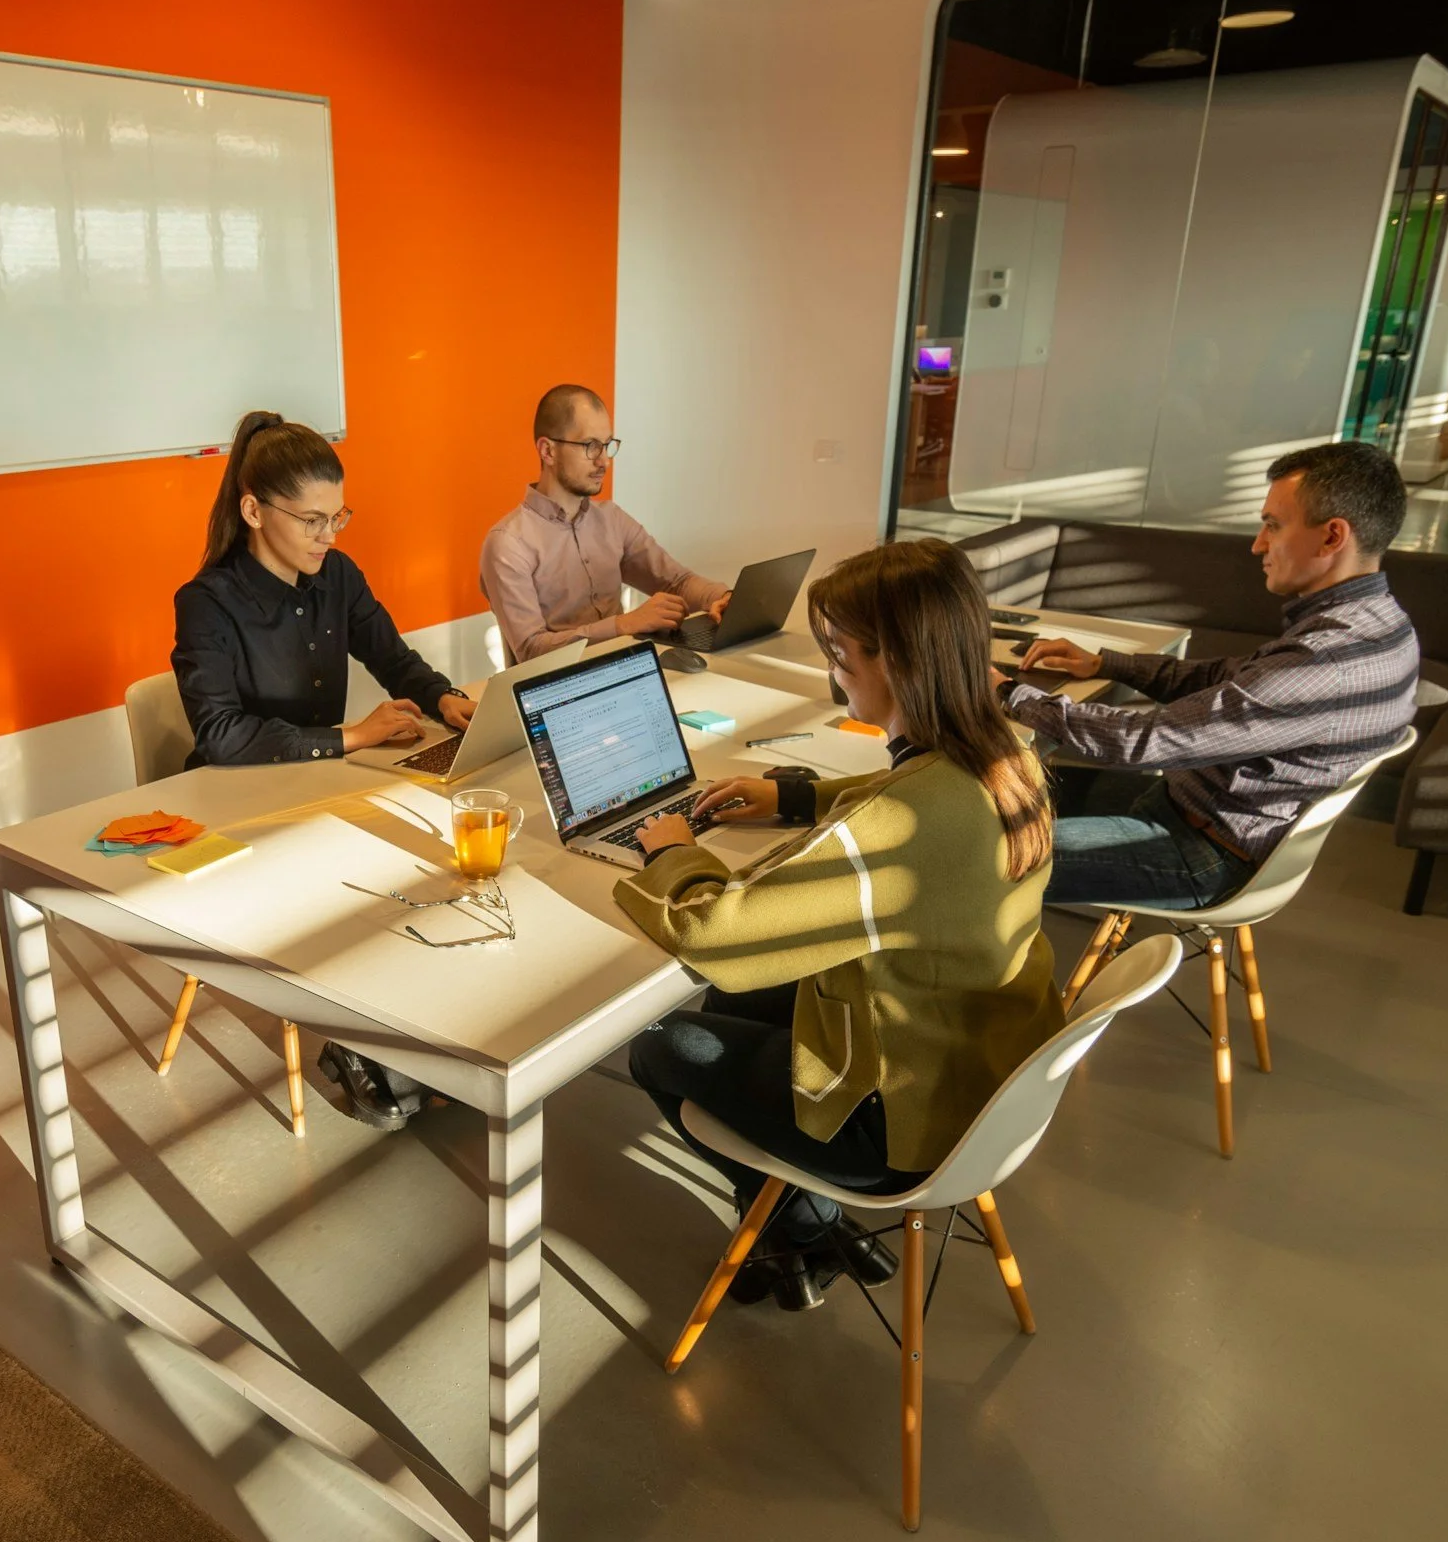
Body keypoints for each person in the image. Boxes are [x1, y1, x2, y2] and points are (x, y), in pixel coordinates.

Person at [617, 540, 1065, 1311]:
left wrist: (674, 854)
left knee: (660, 1046)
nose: (833, 674)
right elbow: (904, 796)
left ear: (893, 660)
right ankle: (801, 1224)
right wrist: (792, 797)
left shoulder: (906, 820)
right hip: (981, 1069)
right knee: (734, 1009)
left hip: (904, 1123)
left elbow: (715, 934)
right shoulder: (1008, 755)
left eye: (842, 654)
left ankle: (802, 1226)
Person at [1001, 441, 1421, 910]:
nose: (1258, 544)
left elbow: (1143, 742)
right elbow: (1228, 678)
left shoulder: (1325, 662)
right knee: (993, 798)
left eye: (1272, 526)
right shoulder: (1381, 623)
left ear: (1332, 537)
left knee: (967, 855)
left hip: (1199, 850)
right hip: (1196, 810)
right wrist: (1106, 664)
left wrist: (1005, 692)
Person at [173, 411, 475, 769]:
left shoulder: (338, 574)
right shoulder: (206, 603)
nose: (329, 536)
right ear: (254, 511)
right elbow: (220, 734)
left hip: (318, 781)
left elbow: (393, 660)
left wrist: (442, 697)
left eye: (336, 518)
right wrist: (353, 737)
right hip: (237, 794)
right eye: (313, 521)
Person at [479, 384, 730, 661]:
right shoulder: (508, 542)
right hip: (557, 693)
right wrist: (623, 625)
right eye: (590, 446)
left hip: (628, 675)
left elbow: (676, 581)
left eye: (608, 445)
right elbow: (531, 650)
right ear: (547, 451)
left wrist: (722, 598)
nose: (604, 462)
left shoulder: (611, 518)